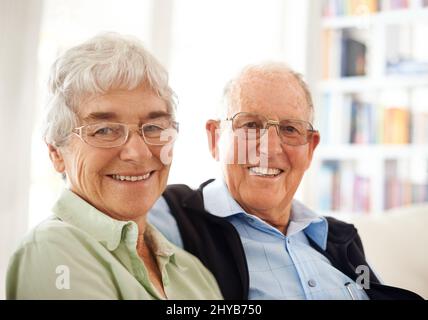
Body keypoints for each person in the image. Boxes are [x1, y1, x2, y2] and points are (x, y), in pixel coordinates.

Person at [148, 62, 423, 300]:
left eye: (290, 129)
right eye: (251, 125)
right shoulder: (174, 216)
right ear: (215, 138)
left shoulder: (339, 237)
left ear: (310, 148)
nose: (270, 148)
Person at [6, 33, 222, 300]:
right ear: (56, 152)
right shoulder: (53, 250)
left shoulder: (193, 272)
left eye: (154, 127)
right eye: (105, 130)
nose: (138, 153)